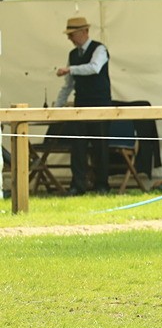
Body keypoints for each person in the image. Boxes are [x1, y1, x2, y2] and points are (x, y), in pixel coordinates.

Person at [54, 16, 113, 194]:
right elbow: (68, 84)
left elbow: (94, 67)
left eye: (72, 34)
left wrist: (70, 69)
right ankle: (77, 185)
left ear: (84, 32)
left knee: (100, 146)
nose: (70, 38)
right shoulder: (72, 55)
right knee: (77, 147)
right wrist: (56, 108)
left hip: (100, 106)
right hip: (80, 106)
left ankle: (102, 185)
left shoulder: (100, 49)